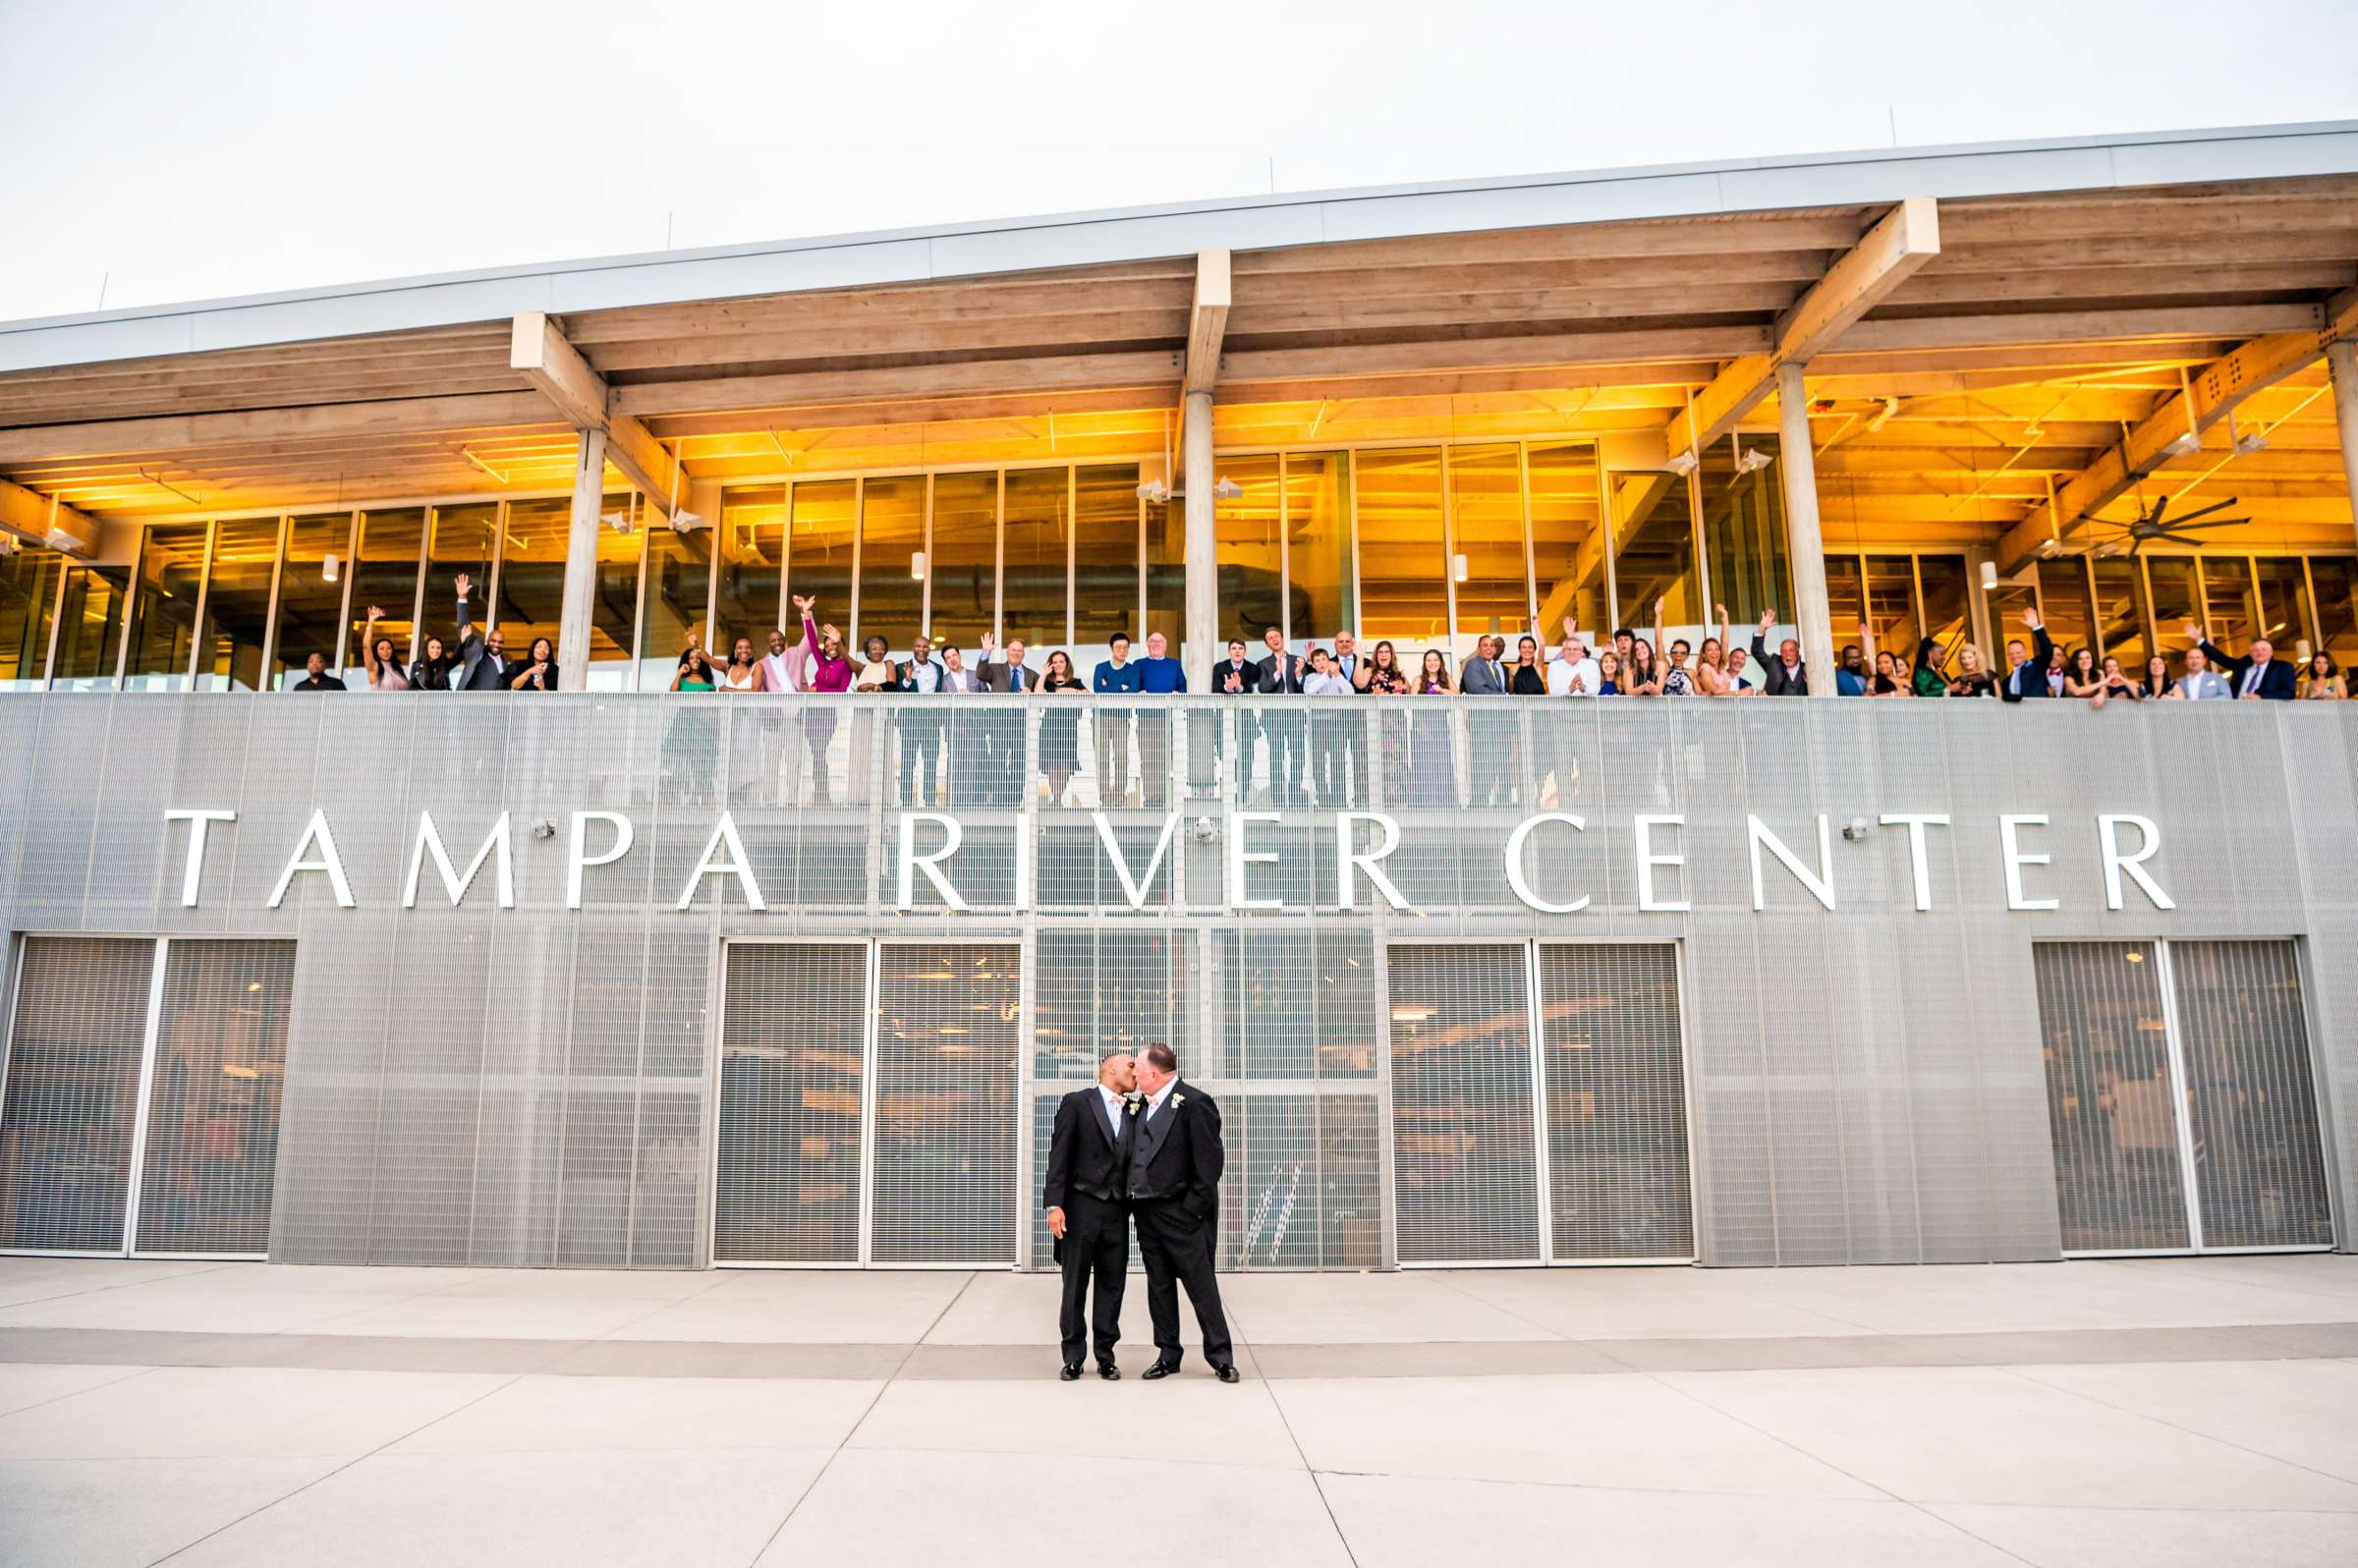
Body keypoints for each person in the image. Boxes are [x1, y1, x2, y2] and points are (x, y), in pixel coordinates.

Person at [1124, 1043, 1237, 1383]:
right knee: (1158, 1286)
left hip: (1182, 1214)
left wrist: (1191, 1211)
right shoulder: (1139, 1106)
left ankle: (1220, 1357)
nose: (1134, 1075)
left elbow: (1209, 1164)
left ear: (1154, 1074)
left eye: (1138, 1070)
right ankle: (1168, 1354)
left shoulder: (1195, 1103)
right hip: (1146, 1211)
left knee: (1201, 1288)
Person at [1043, 1050, 1141, 1380]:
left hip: (1117, 1211)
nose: (1136, 1072)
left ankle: (1105, 1355)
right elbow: (1059, 1156)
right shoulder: (1077, 1103)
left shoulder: (1134, 1110)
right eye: (1130, 1065)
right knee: (1075, 1286)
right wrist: (1054, 1205)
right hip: (1080, 1208)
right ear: (1109, 1068)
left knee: (1113, 1285)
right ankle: (1073, 1355)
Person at [796, 596, 854, 805]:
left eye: (834, 644)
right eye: (827, 644)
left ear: (841, 645)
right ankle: (820, 793)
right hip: (810, 712)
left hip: (827, 713)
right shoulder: (823, 663)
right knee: (815, 752)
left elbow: (840, 690)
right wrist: (806, 613)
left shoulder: (845, 666)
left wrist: (816, 689)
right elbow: (812, 641)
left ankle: (823, 794)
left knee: (821, 751)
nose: (829, 647)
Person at [1253, 626, 1307, 808]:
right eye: (1270, 638)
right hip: (1274, 717)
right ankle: (1276, 797)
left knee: (1298, 755)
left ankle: (1294, 794)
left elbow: (1305, 689)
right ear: (1267, 644)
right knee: (1276, 756)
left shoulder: (1298, 661)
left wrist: (1299, 675)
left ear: (1282, 638)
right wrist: (1276, 674)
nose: (1274, 639)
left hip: (1294, 715)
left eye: (1276, 636)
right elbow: (1263, 688)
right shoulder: (1263, 664)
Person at [891, 633, 947, 807]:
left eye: (925, 646)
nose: (921, 650)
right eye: (918, 646)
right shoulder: (902, 667)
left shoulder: (938, 668)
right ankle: (906, 801)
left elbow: (939, 693)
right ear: (913, 648)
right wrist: (907, 679)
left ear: (929, 649)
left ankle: (930, 801)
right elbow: (898, 693)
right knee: (908, 761)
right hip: (910, 720)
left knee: (931, 761)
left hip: (931, 720)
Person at [1133, 631, 1185, 809]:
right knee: (1148, 759)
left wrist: (1178, 694)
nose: (1156, 644)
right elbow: (1133, 687)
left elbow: (1182, 686)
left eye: (1159, 642)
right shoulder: (1139, 664)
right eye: (1152, 641)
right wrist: (1137, 693)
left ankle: (1166, 797)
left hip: (1168, 718)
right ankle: (1152, 799)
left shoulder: (1174, 664)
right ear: (1147, 645)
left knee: (1166, 758)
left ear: (1165, 645)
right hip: (1147, 719)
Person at [1092, 633, 1141, 807]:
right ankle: (1104, 797)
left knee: (1121, 756)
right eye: (1118, 647)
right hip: (1100, 717)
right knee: (1102, 757)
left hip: (1121, 718)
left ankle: (1119, 795)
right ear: (1112, 648)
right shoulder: (1101, 667)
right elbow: (1098, 689)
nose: (1122, 651)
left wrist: (1110, 688)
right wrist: (1121, 687)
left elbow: (1133, 690)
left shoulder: (1132, 669)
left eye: (1125, 648)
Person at [2189, 623, 2295, 700]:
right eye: (2256, 650)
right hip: (2237, 712)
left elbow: (2289, 693)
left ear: (2271, 652)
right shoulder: (2243, 664)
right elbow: (2222, 659)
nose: (2259, 653)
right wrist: (2199, 640)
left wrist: (2262, 697)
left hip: (2265, 714)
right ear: (2250, 653)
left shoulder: (2283, 667)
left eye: (2264, 649)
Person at [1302, 647, 1354, 807]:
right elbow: (1310, 691)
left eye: (1324, 659)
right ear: (1313, 664)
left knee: (1337, 761)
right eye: (1317, 661)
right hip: (1317, 724)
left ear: (1329, 661)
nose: (1321, 663)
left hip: (1337, 724)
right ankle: (1323, 799)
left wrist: (1337, 675)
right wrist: (1326, 675)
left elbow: (1350, 693)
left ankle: (1339, 799)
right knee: (1318, 762)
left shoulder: (1338, 677)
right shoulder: (1311, 677)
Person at [451, 575, 518, 692]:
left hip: (495, 707)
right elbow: (464, 626)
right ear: (487, 641)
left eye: (500, 642)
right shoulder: (476, 651)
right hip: (471, 705)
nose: (497, 644)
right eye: (493, 641)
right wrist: (462, 597)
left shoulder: (506, 662)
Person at [1039, 649, 1087, 805]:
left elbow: (1088, 695)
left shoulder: (1075, 681)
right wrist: (1043, 674)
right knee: (1053, 763)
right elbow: (1038, 694)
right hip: (1050, 726)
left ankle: (1059, 796)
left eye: (1061, 661)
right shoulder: (1047, 682)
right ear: (1051, 664)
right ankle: (1056, 798)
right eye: (1055, 661)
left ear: (1066, 664)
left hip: (1068, 726)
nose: (1058, 664)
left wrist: (1071, 690)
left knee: (1065, 762)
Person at [1366, 640, 1411, 803]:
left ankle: (1400, 799)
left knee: (1399, 761)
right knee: (1381, 761)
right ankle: (1382, 799)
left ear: (1392, 655)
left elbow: (1411, 694)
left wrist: (1404, 684)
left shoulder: (1400, 675)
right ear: (1376, 655)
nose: (1383, 655)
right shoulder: (1370, 672)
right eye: (1380, 652)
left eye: (1386, 652)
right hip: (1380, 722)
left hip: (1398, 723)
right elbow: (1361, 686)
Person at [1410, 649, 1455, 806]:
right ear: (1424, 663)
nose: (1432, 663)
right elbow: (1412, 703)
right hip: (1422, 725)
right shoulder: (1418, 680)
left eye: (1435, 660)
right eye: (1428, 660)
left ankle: (1443, 802)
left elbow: (1457, 695)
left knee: (1441, 763)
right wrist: (1420, 725)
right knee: (1424, 764)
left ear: (1441, 662)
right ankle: (1424, 802)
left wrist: (1441, 690)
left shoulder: (1446, 679)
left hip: (1440, 725)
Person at [1328, 629, 1368, 806]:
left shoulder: (1366, 662)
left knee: (1361, 760)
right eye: (1340, 641)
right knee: (1337, 760)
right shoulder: (1327, 663)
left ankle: (1362, 800)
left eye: (1347, 641)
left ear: (1353, 643)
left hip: (1360, 719)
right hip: (1336, 720)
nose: (1344, 644)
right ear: (1334, 644)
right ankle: (1338, 800)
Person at [2000, 609, 2057, 701]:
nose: (2015, 656)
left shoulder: (2037, 665)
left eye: (2018, 652)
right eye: (2011, 654)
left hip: (2039, 713)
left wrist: (2036, 627)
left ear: (2025, 652)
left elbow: (2048, 650)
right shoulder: (2007, 681)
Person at [1751, 609, 1808, 696]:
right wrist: (1762, 628)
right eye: (1784, 651)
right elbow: (1757, 651)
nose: (1787, 654)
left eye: (1791, 650)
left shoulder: (1807, 669)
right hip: (1776, 708)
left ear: (1797, 652)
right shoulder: (1774, 664)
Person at [358, 607, 411, 692]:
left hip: (401, 704)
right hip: (381, 704)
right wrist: (370, 622)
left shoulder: (397, 668)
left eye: (389, 648)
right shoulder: (374, 667)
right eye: (381, 648)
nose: (385, 651)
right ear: (376, 651)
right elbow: (366, 646)